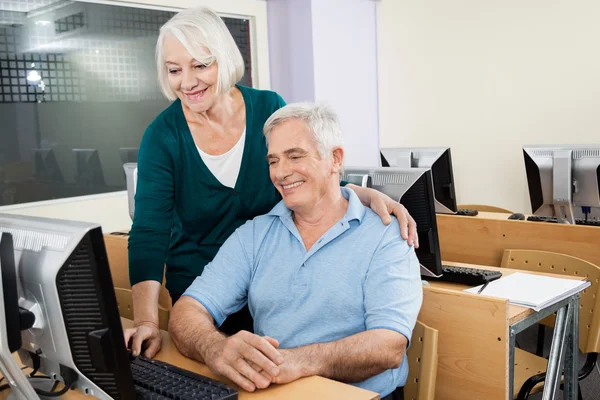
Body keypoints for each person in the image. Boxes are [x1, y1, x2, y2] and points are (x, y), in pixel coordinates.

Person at [125, 6, 419, 359]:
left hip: (273, 283)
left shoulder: (268, 108)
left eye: (200, 65)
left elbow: (303, 169)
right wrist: (146, 319)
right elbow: (149, 232)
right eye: (174, 70)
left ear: (224, 59)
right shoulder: (163, 136)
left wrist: (358, 192)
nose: (186, 82)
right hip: (205, 288)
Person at [169, 103, 423, 400]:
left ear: (335, 159)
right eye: (273, 160)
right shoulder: (255, 235)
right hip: (273, 392)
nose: (281, 172)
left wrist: (297, 362)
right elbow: (187, 311)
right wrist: (213, 347)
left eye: (294, 156)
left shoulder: (386, 235)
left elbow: (388, 346)